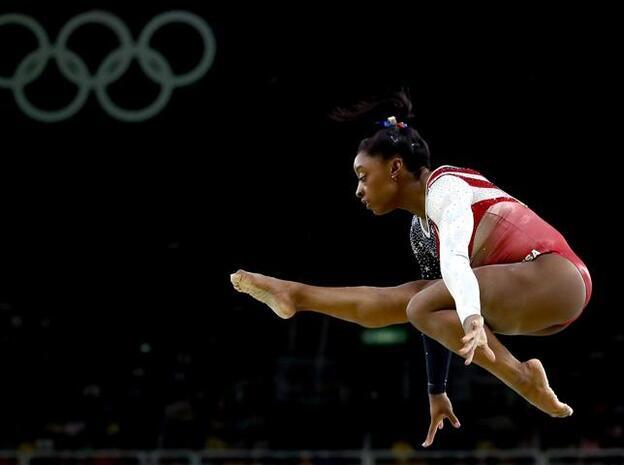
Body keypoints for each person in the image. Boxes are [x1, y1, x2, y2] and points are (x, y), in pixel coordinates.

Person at [230, 90, 592, 447]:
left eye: (362, 175)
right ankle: (298, 297)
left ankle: (523, 377)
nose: (358, 190)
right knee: (412, 300)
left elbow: (454, 260)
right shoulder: (420, 233)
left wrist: (471, 320)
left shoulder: (446, 186)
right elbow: (436, 315)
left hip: (555, 278)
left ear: (395, 167)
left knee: (418, 302)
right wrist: (437, 390)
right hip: (534, 303)